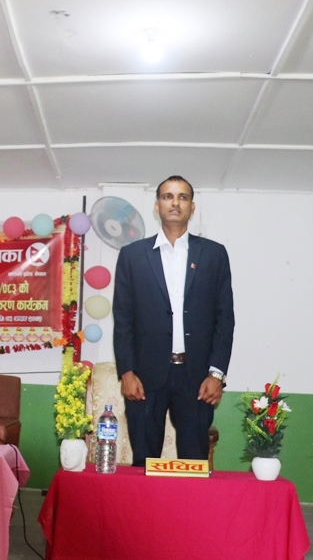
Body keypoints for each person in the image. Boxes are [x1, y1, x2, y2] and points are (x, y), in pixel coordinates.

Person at [112, 176, 234, 466]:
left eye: (182, 197)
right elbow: (123, 318)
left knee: (194, 462)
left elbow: (224, 318)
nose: (175, 202)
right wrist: (127, 372)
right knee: (144, 461)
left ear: (192, 207)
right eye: (168, 196)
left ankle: (191, 501)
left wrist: (216, 375)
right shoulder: (132, 256)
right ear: (157, 206)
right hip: (144, 377)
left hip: (198, 379)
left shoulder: (214, 255)